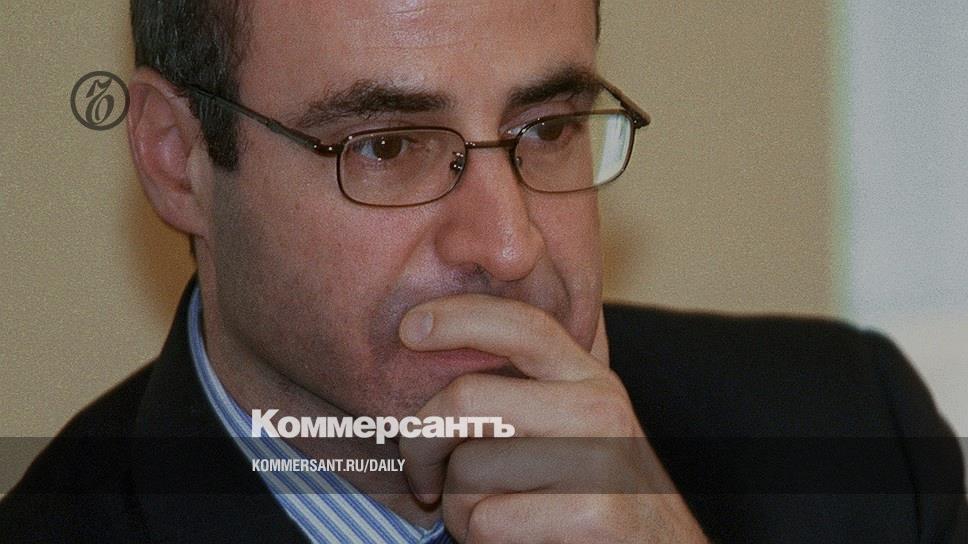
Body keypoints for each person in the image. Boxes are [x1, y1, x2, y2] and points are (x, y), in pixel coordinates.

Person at [1, 1, 965, 542]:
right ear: (177, 160)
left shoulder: (854, 440)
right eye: (386, 147)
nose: (510, 246)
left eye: (547, 129)